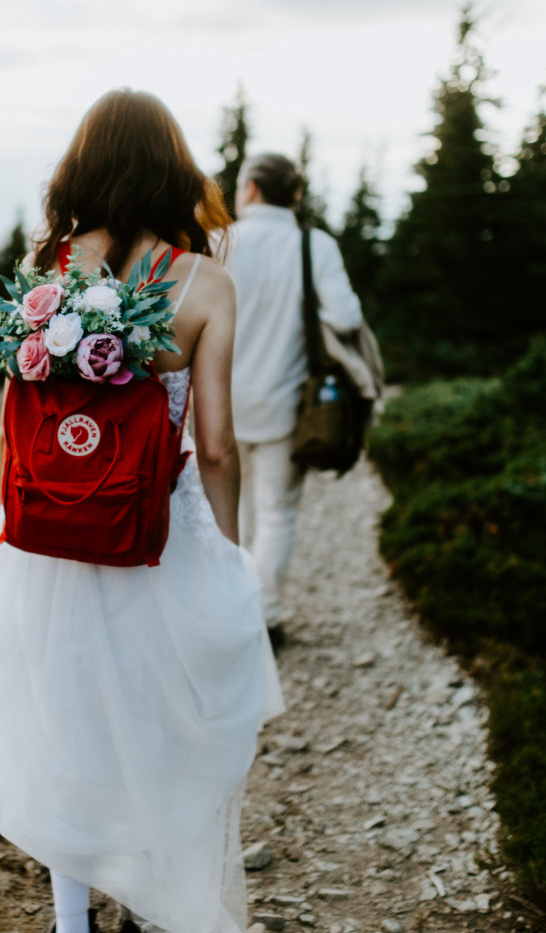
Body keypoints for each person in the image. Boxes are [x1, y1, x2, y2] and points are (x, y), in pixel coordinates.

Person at [0, 89, 285, 933]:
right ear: (175, 171)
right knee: (166, 726)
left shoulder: (46, 275)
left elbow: (11, 429)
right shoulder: (205, 283)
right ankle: (162, 898)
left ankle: (73, 921)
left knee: (63, 724)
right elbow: (214, 445)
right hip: (153, 535)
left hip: (47, 537)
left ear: (84, 166)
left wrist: (16, 526)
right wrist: (233, 548)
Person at [225, 153, 364, 639]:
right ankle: (267, 617)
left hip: (217, 405)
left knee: (228, 515)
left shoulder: (222, 241)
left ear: (252, 190)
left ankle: (228, 614)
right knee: (276, 512)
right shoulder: (314, 245)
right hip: (286, 405)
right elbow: (346, 318)